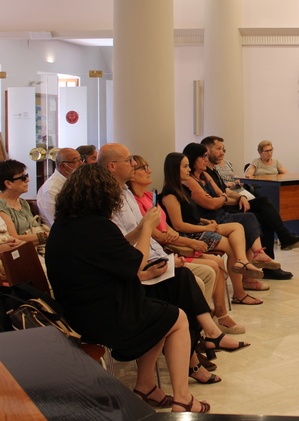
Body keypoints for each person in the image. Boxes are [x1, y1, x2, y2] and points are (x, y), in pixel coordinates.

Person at [45, 163, 210, 413]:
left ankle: (145, 386)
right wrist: (147, 230)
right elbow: (134, 264)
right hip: (103, 317)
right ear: (104, 195)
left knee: (160, 312)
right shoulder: (98, 227)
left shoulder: (65, 226)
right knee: (177, 318)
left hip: (76, 311)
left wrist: (138, 230)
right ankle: (183, 398)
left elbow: (114, 249)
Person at [98, 143, 249, 379]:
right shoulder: (123, 199)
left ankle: (205, 332)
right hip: (144, 262)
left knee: (225, 247)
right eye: (135, 164)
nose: (143, 169)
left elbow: (164, 227)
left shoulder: (137, 194)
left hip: (158, 251)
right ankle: (204, 335)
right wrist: (175, 244)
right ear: (112, 166)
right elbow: (151, 233)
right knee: (201, 272)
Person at [128, 154, 245, 335]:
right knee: (215, 262)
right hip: (171, 246)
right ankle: (207, 320)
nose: (149, 171)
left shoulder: (151, 196)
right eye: (185, 166)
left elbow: (169, 226)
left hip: (175, 241)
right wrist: (191, 239)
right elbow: (164, 233)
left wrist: (202, 223)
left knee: (234, 237)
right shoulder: (165, 194)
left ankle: (216, 313)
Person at [166, 149, 273, 305]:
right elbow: (178, 225)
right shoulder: (170, 193)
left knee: (239, 227)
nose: (188, 170)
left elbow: (192, 214)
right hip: (190, 235)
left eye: (188, 166)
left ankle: (243, 264)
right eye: (185, 167)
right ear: (174, 169)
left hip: (200, 226)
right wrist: (204, 227)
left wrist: (204, 221)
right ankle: (239, 290)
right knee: (232, 243)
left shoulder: (182, 189)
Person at [202, 135, 299, 274]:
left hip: (230, 202)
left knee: (264, 215)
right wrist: (239, 199)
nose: (223, 152)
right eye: (219, 149)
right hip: (223, 212)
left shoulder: (213, 171)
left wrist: (239, 196)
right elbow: (220, 197)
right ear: (207, 151)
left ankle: (271, 267)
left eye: (224, 149)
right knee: (263, 202)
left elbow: (224, 191)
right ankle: (285, 237)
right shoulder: (205, 174)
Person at [0, 159, 47, 245]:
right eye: (23, 177)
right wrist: (45, 236)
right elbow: (13, 238)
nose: (27, 180)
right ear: (8, 183)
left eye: (26, 175)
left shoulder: (23, 202)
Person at [36, 147, 83, 226]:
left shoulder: (75, 181)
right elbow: (57, 221)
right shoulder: (51, 189)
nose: (81, 164)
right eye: (76, 161)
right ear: (63, 166)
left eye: (80, 159)